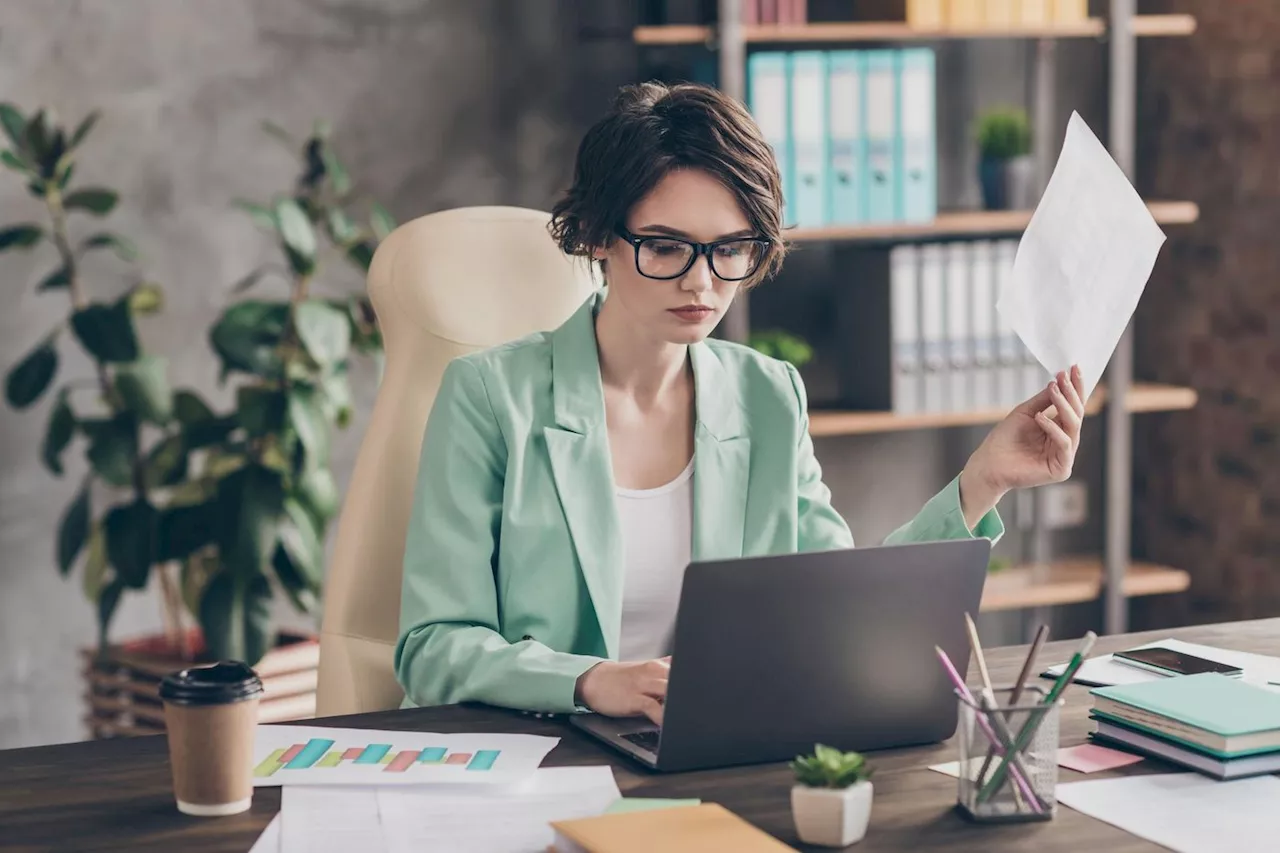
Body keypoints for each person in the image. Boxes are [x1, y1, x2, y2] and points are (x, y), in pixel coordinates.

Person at [394, 82, 1085, 725]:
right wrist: (589, 680)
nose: (701, 282)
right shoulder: (491, 396)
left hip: (715, 751)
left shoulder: (767, 395)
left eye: (731, 249)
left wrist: (982, 480)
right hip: (546, 754)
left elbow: (840, 606)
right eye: (665, 247)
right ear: (601, 236)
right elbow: (430, 646)